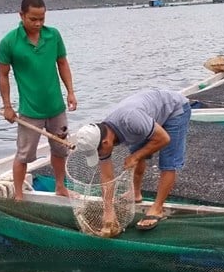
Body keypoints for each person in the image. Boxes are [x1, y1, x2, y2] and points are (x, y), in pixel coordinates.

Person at [71, 89, 191, 231]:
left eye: (98, 153)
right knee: (137, 152)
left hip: (175, 109)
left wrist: (136, 156)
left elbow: (164, 139)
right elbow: (107, 176)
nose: (100, 155)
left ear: (105, 143)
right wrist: (108, 211)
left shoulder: (131, 120)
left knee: (168, 162)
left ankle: (157, 207)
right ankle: (135, 193)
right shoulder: (101, 138)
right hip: (147, 117)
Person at [0, 0, 77, 201]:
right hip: (29, 111)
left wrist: (70, 92)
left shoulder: (53, 35)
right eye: (33, 19)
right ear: (21, 15)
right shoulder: (9, 42)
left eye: (41, 18)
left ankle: (60, 187)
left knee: (60, 150)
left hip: (56, 107)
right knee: (24, 154)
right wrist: (7, 107)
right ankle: (18, 195)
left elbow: (62, 63)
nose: (38, 23)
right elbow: (3, 75)